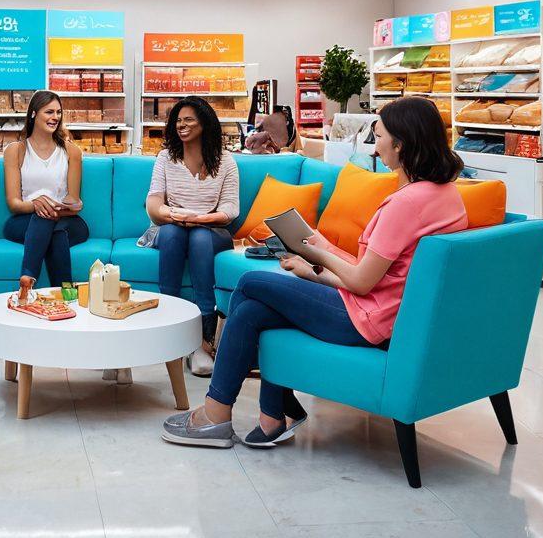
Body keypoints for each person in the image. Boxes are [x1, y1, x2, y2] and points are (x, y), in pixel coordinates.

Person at [162, 96, 468, 449]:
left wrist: (311, 252)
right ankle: (270, 414)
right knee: (252, 309)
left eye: (379, 134)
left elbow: (361, 281)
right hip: (385, 310)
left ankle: (221, 414)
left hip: (366, 319)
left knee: (249, 284)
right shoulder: (447, 195)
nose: (375, 142)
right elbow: (382, 274)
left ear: (401, 144)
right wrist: (315, 265)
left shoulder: (407, 203)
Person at [146, 96, 240, 377]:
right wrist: (177, 215)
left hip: (211, 229)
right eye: (178, 121)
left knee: (199, 237)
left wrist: (199, 219)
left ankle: (201, 341)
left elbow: (230, 209)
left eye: (188, 120)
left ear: (205, 123)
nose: (181, 125)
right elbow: (153, 206)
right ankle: (170, 327)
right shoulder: (165, 158)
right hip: (172, 225)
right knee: (174, 234)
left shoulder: (225, 161)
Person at [3, 90, 88, 292]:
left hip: (67, 221)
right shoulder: (16, 150)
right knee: (49, 225)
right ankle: (67, 295)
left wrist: (57, 207)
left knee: (51, 222)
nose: (55, 117)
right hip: (24, 221)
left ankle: (27, 279)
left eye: (58, 112)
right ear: (33, 113)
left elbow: (74, 201)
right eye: (49, 112)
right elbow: (14, 203)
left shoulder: (71, 151)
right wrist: (36, 204)